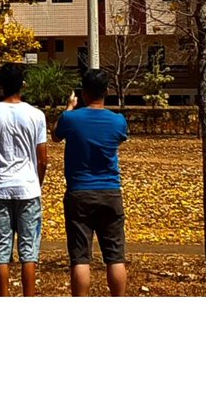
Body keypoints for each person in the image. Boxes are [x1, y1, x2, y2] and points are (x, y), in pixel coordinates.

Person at [0, 61, 48, 297]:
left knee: (1, 252)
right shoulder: (37, 116)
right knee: (29, 253)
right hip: (28, 189)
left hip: (0, 189)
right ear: (22, 84)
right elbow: (43, 159)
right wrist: (37, 183)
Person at [52, 68, 128, 297]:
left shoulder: (70, 118)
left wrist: (69, 108)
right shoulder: (117, 121)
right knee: (115, 257)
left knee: (80, 258)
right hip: (110, 191)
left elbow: (55, 136)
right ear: (106, 92)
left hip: (79, 192)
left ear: (83, 93)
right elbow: (121, 138)